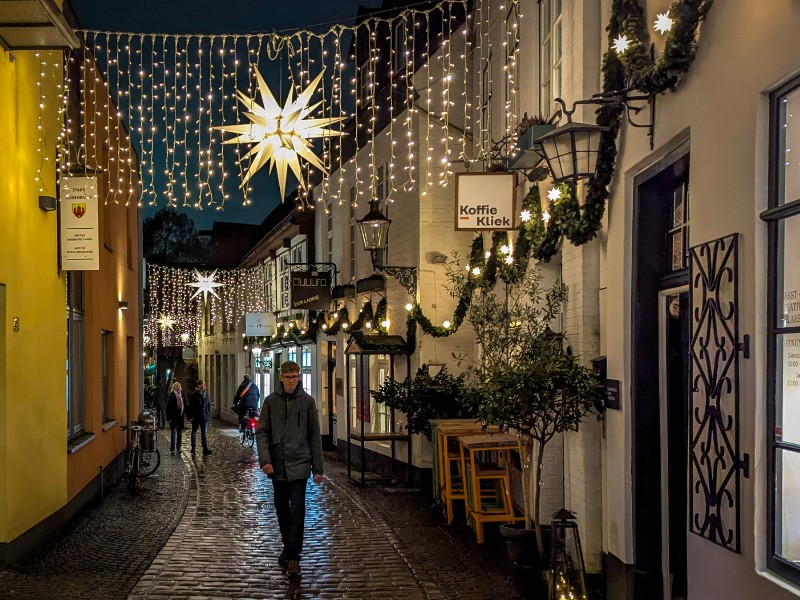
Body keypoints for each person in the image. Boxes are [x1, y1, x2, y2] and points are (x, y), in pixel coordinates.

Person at [256, 361, 324, 580]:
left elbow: (314, 435)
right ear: (281, 378)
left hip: (300, 465)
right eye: (288, 377)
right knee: (282, 510)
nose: (292, 381)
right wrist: (265, 460)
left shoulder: (307, 402)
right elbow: (262, 432)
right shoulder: (270, 402)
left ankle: (294, 556)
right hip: (277, 466)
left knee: (298, 511)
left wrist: (318, 468)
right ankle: (288, 545)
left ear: (300, 377)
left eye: (295, 377)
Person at [187, 379, 212, 455]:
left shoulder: (206, 394)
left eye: (204, 384)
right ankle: (193, 447)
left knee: (204, 433)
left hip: (204, 417)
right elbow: (190, 407)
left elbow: (208, 405)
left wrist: (208, 415)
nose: (204, 386)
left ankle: (205, 448)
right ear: (198, 385)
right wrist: (190, 416)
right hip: (196, 417)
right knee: (194, 432)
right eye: (203, 384)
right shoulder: (194, 395)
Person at [165, 381, 185, 455]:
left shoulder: (182, 395)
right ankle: (172, 449)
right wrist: (168, 418)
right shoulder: (172, 395)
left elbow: (185, 405)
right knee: (173, 433)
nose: (177, 387)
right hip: (173, 417)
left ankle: (179, 448)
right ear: (174, 387)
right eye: (176, 386)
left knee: (179, 434)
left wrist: (189, 416)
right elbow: (168, 407)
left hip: (180, 417)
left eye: (178, 386)